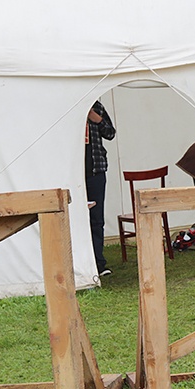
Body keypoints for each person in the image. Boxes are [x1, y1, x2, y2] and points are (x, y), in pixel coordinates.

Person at [84, 100, 116, 278]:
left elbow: (111, 133)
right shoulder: (67, 104)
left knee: (96, 219)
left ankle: (98, 263)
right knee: (73, 219)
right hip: (72, 173)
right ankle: (79, 262)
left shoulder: (97, 106)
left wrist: (97, 119)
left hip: (96, 171)